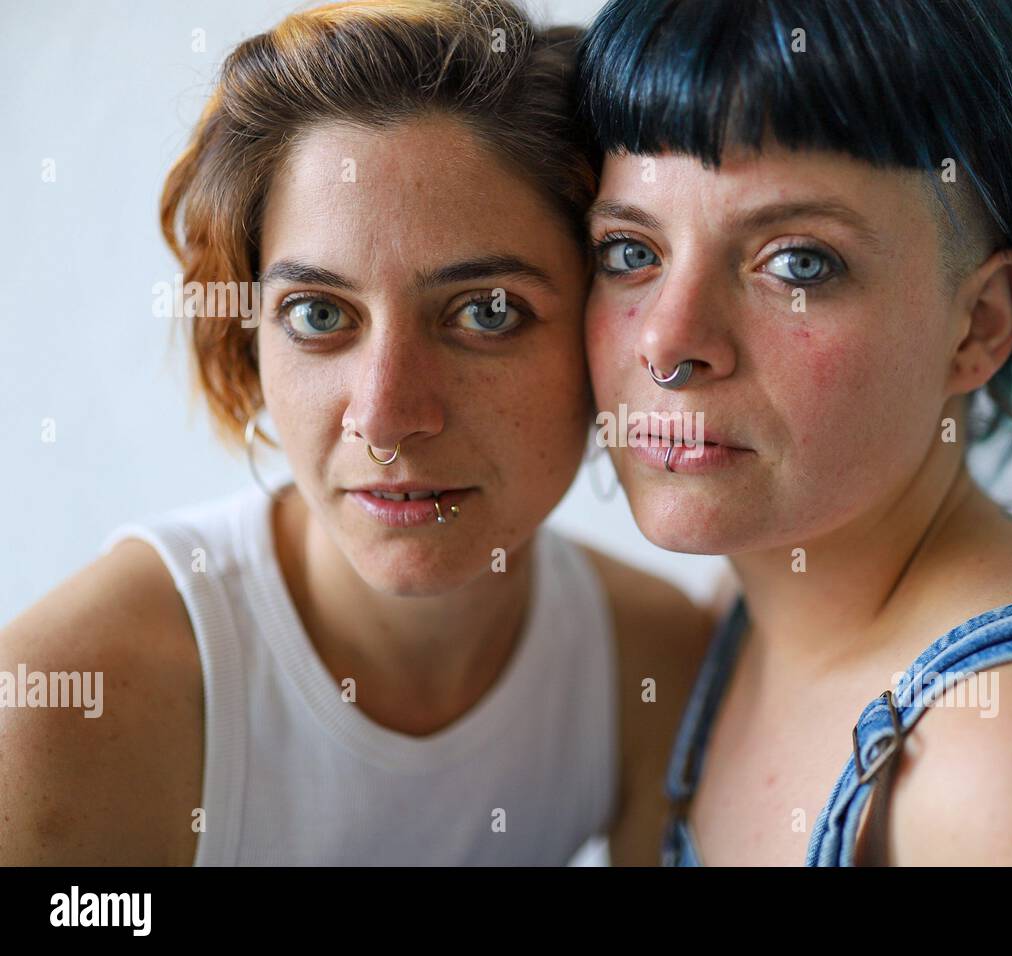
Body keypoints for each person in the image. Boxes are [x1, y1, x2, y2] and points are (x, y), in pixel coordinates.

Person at [576, 0, 1012, 864]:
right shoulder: (745, 617)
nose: (667, 342)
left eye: (799, 263)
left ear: (979, 326)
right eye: (629, 252)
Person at [0, 0, 709, 865]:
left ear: (610, 331)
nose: (384, 414)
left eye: (486, 312)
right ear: (246, 337)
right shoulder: (61, 707)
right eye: (319, 313)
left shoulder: (656, 665)